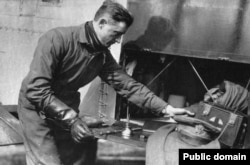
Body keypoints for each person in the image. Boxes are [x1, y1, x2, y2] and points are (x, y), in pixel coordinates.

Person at [17, 1, 193, 165]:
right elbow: (36, 90)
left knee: (76, 156)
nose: (117, 40)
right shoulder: (56, 39)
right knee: (48, 161)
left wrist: (166, 109)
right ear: (101, 23)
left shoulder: (101, 55)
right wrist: (72, 120)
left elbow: (128, 86)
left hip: (66, 109)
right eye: (116, 34)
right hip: (36, 110)